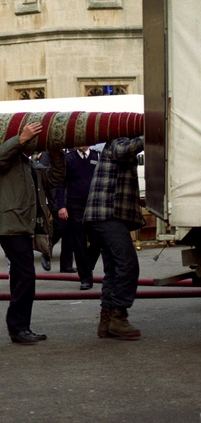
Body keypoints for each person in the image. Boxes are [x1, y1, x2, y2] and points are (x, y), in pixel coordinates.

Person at [0, 122, 65, 344]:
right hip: (11, 226)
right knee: (25, 276)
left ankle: (20, 327)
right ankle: (18, 327)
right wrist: (21, 138)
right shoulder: (10, 160)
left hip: (23, 227)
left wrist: (56, 155)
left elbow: (55, 178)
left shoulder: (31, 165)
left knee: (21, 276)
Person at [84, 137, 145, 340]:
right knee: (127, 264)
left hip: (103, 216)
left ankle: (107, 322)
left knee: (113, 269)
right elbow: (122, 150)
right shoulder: (117, 142)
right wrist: (151, 133)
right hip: (106, 214)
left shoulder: (114, 145)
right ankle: (118, 317)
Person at [56, 146, 101, 290]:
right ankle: (85, 278)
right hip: (75, 206)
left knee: (97, 240)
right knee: (79, 242)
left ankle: (88, 266)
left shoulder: (97, 157)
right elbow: (60, 184)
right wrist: (61, 206)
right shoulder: (69, 159)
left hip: (94, 205)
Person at [38, 151, 75, 273]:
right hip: (56, 197)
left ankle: (66, 264)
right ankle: (46, 251)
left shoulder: (71, 152)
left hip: (71, 195)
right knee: (60, 227)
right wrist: (53, 200)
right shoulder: (47, 153)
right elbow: (44, 175)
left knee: (70, 231)